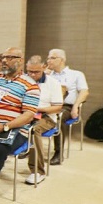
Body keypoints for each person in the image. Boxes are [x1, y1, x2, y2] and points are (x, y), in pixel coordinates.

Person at [0, 48, 40, 194]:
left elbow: (29, 115)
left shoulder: (30, 85)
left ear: (20, 60)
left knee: (0, 149)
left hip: (14, 130)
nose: (5, 60)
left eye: (10, 57)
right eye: (4, 57)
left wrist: (6, 126)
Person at [45, 49, 89, 165]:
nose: (49, 60)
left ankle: (58, 153)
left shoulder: (76, 74)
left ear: (62, 60)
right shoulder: (47, 75)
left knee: (59, 117)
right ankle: (28, 147)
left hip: (67, 106)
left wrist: (76, 106)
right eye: (48, 58)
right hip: (48, 105)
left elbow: (84, 92)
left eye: (52, 58)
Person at [24, 56, 63, 184]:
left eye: (36, 72)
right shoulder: (23, 80)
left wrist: (39, 109)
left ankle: (37, 171)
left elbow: (58, 107)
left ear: (44, 67)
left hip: (46, 116)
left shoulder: (53, 83)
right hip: (24, 113)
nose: (32, 75)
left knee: (33, 130)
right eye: (30, 71)